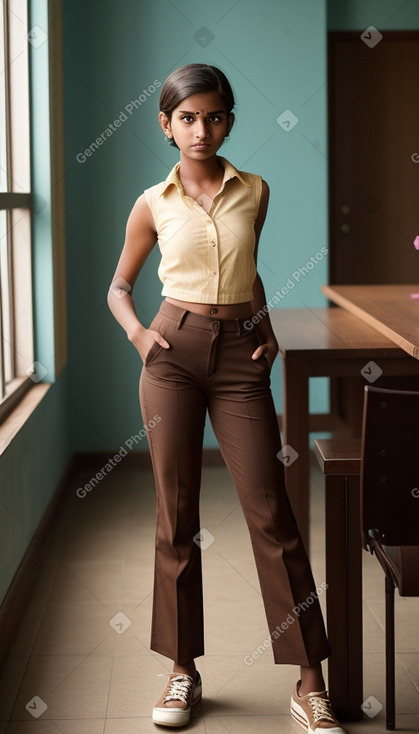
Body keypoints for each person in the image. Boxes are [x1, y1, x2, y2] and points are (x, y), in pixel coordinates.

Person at [108, 63, 345, 733]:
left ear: (228, 121)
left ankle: (308, 682)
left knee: (271, 513)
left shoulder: (254, 191)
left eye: (214, 116)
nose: (201, 129)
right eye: (187, 118)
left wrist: (263, 331)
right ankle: (182, 670)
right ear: (166, 125)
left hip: (240, 359)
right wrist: (139, 340)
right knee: (174, 514)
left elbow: (245, 270)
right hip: (170, 356)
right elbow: (118, 288)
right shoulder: (151, 202)